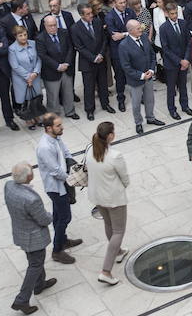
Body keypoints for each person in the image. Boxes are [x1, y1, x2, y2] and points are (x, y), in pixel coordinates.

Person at [5, 162, 56, 315]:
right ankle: (22, 300)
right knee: (35, 265)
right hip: (34, 238)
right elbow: (43, 219)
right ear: (29, 177)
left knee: (35, 261)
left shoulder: (8, 186)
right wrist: (51, 216)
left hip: (21, 232)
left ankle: (40, 284)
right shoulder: (30, 199)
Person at [85, 121, 130, 286]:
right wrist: (123, 186)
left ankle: (118, 251)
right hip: (114, 198)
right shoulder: (114, 155)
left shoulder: (90, 149)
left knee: (109, 225)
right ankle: (106, 270)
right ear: (110, 136)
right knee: (118, 231)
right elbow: (124, 177)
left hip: (97, 196)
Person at [35, 113, 82, 264]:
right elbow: (55, 170)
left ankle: (63, 240)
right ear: (48, 128)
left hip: (62, 183)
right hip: (55, 187)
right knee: (64, 217)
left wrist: (75, 167)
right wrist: (72, 178)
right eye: (58, 125)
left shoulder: (56, 138)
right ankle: (57, 251)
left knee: (57, 215)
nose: (62, 127)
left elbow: (66, 153)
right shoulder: (44, 147)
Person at [119, 19, 164, 135]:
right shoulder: (123, 46)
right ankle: (138, 123)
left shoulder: (144, 37)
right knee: (136, 103)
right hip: (135, 80)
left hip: (148, 75)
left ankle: (151, 118)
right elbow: (126, 66)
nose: (141, 29)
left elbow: (152, 55)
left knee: (150, 99)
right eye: (138, 28)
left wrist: (151, 70)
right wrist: (142, 75)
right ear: (130, 31)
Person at [71, 4, 113, 121]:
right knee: (89, 88)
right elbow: (79, 47)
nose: (91, 15)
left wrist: (101, 54)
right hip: (87, 63)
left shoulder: (97, 22)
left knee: (103, 84)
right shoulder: (75, 28)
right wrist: (93, 58)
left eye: (91, 13)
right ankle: (90, 110)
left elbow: (104, 39)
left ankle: (105, 104)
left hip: (101, 59)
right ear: (81, 15)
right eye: (88, 14)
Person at [36, 16, 78, 121]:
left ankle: (70, 111)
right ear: (45, 26)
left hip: (66, 68)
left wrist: (67, 63)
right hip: (51, 71)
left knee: (68, 92)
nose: (53, 28)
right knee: (53, 96)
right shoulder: (40, 38)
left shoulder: (64, 32)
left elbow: (70, 48)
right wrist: (57, 66)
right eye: (50, 26)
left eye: (55, 25)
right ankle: (54, 115)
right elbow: (43, 55)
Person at [159, 2, 192, 120]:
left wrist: (186, 59)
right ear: (167, 14)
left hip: (184, 60)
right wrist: (180, 61)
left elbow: (189, 42)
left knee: (183, 86)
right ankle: (172, 109)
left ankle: (185, 106)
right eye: (172, 14)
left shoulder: (183, 24)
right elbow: (166, 49)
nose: (174, 16)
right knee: (171, 88)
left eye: (176, 13)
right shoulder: (163, 28)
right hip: (172, 63)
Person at [41, 0, 78, 103]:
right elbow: (42, 37)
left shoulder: (68, 15)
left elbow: (73, 30)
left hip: (69, 50)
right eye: (50, 6)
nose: (52, 8)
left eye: (55, 5)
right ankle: (61, 97)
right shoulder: (45, 20)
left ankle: (71, 92)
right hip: (55, 53)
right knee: (59, 75)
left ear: (60, 5)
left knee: (71, 73)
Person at [106, 0, 136, 113]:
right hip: (117, 52)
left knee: (135, 72)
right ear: (114, 4)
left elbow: (137, 29)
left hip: (132, 49)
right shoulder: (109, 17)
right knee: (120, 76)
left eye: (124, 2)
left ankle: (139, 95)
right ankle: (121, 99)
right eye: (121, 3)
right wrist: (129, 33)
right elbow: (114, 36)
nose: (124, 5)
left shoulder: (130, 12)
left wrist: (123, 34)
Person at [8, 24, 43, 129]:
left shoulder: (33, 43)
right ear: (15, 36)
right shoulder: (12, 49)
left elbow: (38, 59)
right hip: (21, 79)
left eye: (25, 34)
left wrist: (35, 73)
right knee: (25, 100)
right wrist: (28, 77)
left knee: (35, 98)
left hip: (35, 76)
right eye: (20, 36)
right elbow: (15, 66)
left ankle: (37, 116)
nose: (23, 37)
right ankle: (29, 119)